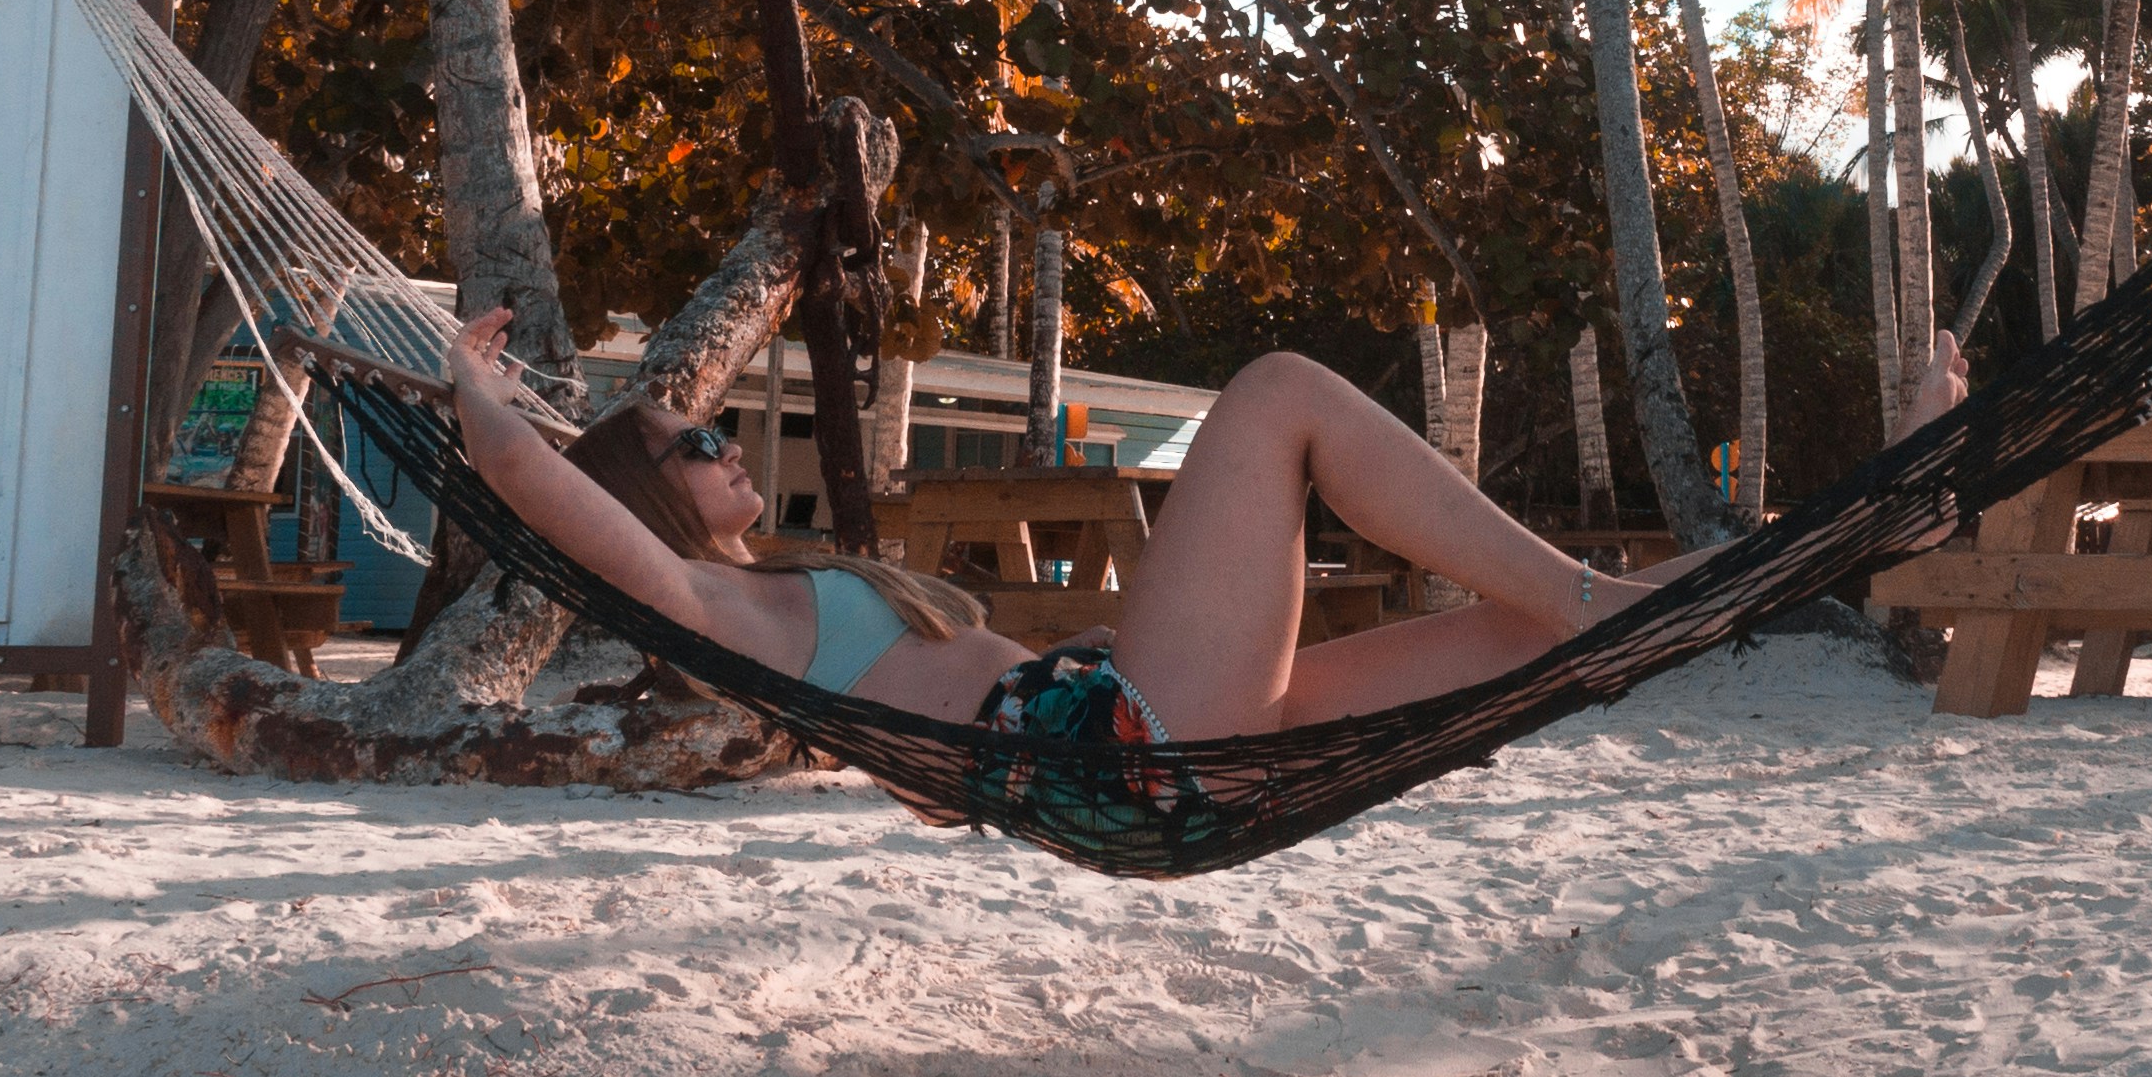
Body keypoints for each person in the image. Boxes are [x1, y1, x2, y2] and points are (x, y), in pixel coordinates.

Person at [443, 310, 1716, 753]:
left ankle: (1816, 540)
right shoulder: (702, 604)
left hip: (1133, 720)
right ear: (644, 496)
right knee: (1276, 391)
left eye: (715, 427)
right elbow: (552, 502)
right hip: (1120, 753)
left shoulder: (771, 588)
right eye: (695, 442)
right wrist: (480, 405)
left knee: (1520, 632)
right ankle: (1603, 605)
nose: (724, 443)